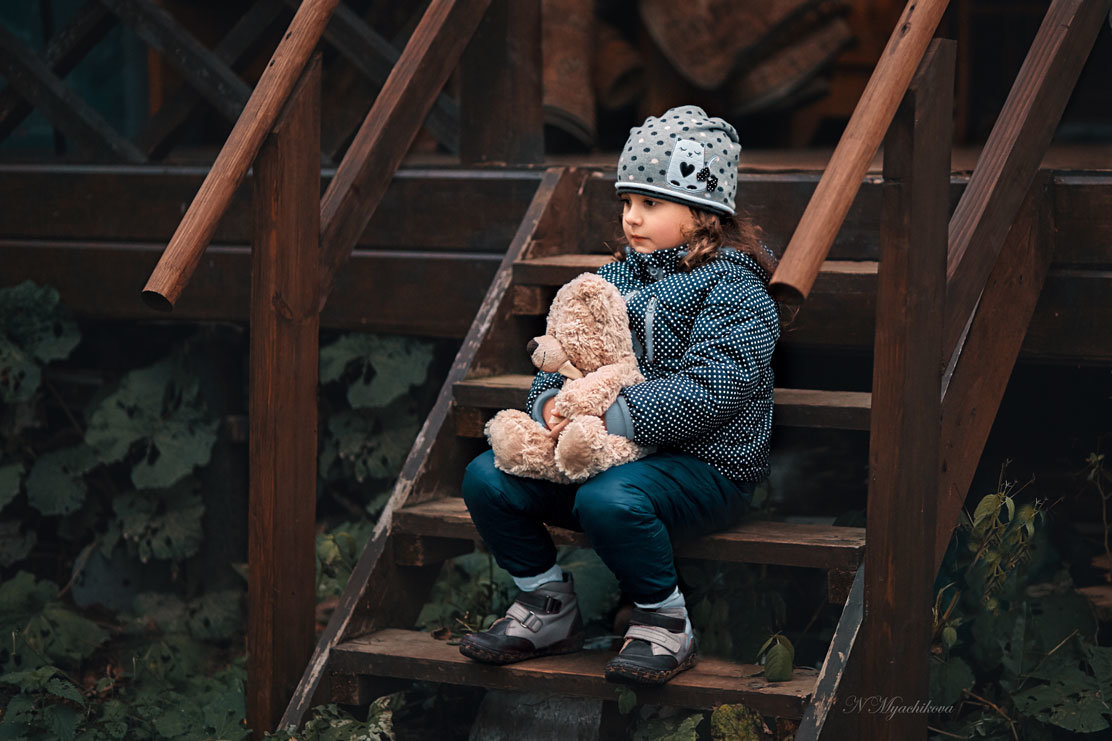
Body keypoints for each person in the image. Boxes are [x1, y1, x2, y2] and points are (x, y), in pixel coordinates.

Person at [458, 105, 780, 685]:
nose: (631, 219)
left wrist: (617, 414)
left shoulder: (734, 287)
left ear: (704, 214)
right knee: (487, 475)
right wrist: (551, 403)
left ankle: (665, 621)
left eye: (650, 204)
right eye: (627, 202)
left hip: (706, 469)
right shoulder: (615, 278)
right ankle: (545, 604)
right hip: (602, 456)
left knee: (607, 499)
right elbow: (568, 351)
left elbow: (716, 385)